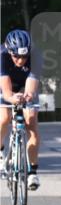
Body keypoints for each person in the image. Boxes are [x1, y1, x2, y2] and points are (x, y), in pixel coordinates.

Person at [0, 29, 42, 190]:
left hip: (25, 85)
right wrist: (12, 98)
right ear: (9, 51)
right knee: (4, 118)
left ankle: (32, 172)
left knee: (31, 124)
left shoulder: (36, 56)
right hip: (6, 84)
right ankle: (1, 150)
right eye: (16, 56)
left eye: (24, 56)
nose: (20, 60)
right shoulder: (2, 55)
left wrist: (27, 97)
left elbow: (31, 89)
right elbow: (6, 90)